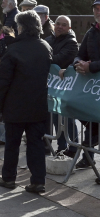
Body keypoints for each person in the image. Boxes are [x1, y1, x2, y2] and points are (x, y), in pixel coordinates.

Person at [0, 10, 52, 193]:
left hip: (15, 105)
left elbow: (3, 82)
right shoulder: (45, 47)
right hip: (38, 104)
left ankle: (9, 178)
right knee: (36, 144)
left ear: (21, 27)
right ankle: (38, 180)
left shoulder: (14, 50)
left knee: (13, 143)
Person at [45, 15, 79, 158]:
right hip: (51, 85)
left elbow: (58, 59)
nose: (59, 26)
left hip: (66, 86)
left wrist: (42, 58)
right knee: (54, 116)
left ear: (69, 28)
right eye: (57, 23)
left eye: (64, 25)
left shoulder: (71, 43)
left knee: (68, 119)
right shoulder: (48, 40)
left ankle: (74, 148)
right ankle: (61, 146)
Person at [72, 0, 100, 169]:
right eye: (96, 8)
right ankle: (88, 157)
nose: (98, 11)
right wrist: (78, 64)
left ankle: (87, 155)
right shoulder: (91, 32)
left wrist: (92, 67)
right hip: (92, 88)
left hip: (94, 80)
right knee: (88, 117)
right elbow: (79, 54)